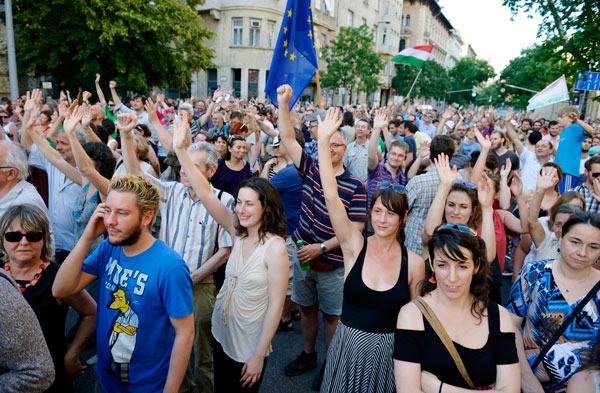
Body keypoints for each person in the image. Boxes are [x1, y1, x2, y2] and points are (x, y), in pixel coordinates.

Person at [119, 111, 234, 393]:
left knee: (202, 354)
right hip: (164, 283)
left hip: (200, 284)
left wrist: (193, 277)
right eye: (183, 165)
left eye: (192, 166)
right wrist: (125, 136)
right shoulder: (171, 191)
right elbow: (135, 175)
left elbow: (226, 249)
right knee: (170, 348)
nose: (184, 170)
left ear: (210, 171)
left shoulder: (224, 200)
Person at [171, 119, 289, 393]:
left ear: (266, 207)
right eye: (239, 202)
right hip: (222, 333)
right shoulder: (237, 230)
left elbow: (275, 306)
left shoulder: (275, 248)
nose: (242, 209)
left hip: (250, 344)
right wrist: (180, 150)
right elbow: (204, 190)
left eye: (249, 204)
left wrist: (259, 355)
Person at [52, 173, 195, 393]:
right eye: (108, 210)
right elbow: (61, 288)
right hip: (107, 380)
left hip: (149, 386)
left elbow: (185, 333)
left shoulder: (170, 267)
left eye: (122, 213)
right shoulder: (110, 247)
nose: (110, 221)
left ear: (146, 218)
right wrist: (87, 237)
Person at [316, 107, 425, 392]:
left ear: (403, 219)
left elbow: (415, 324)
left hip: (388, 357)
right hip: (346, 350)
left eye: (390, 214)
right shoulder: (354, 245)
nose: (381, 219)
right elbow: (331, 195)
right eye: (376, 211)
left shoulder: (414, 264)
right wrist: (322, 143)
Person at [277, 86, 367, 391]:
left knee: (333, 317)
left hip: (332, 264)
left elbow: (354, 232)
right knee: (307, 309)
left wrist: (322, 248)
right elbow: (288, 140)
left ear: (346, 149)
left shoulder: (356, 186)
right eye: (328, 141)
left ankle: (332, 362)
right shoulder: (311, 168)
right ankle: (308, 354)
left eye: (338, 144)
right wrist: (284, 104)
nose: (332, 147)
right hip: (304, 258)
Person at [394, 225, 520, 392]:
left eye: (462, 266)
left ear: (476, 266)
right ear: (431, 264)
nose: (452, 277)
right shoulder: (412, 316)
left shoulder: (498, 316)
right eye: (442, 265)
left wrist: (438, 388)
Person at [0, 204, 96, 393]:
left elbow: (91, 312)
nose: (24, 242)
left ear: (44, 239)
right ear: (2, 239)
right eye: (14, 236)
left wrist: (72, 354)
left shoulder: (58, 278)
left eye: (33, 236)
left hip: (49, 377)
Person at [508, 212, 600, 392]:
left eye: (593, 247)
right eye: (575, 242)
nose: (582, 253)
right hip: (523, 382)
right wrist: (526, 380)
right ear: (560, 238)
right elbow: (510, 326)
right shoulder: (534, 274)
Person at [0, 267, 55, 393]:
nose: (23, 245)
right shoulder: (4, 270)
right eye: (13, 244)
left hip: (46, 356)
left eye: (33, 244)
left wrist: (72, 354)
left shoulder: (54, 274)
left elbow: (39, 373)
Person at [554, 106, 596, 193]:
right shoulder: (564, 132)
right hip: (559, 170)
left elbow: (591, 131)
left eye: (561, 117)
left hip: (568, 171)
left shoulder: (575, 128)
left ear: (571, 118)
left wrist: (577, 120)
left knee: (564, 198)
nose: (558, 119)